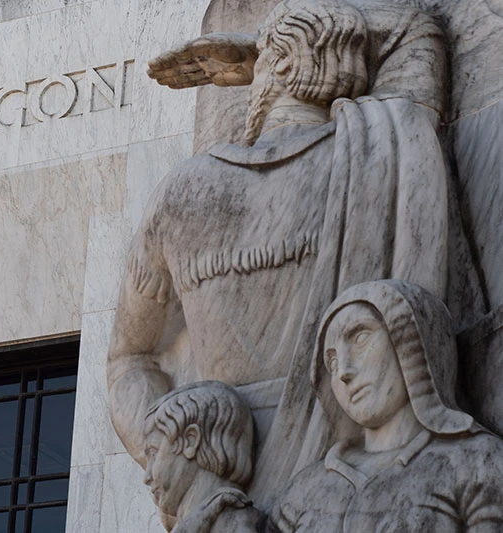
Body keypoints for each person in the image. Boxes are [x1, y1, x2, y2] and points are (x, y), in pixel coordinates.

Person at [108, 0, 449, 499]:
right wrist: (265, 49)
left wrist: (176, 460)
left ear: (280, 67)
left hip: (225, 477)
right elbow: (420, 30)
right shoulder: (386, 145)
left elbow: (128, 361)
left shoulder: (182, 193)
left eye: (264, 61)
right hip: (353, 477)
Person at [269, 280, 503, 531]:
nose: (344, 372)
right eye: (333, 362)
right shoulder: (301, 492)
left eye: (360, 338)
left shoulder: (477, 463)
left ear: (413, 340)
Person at [143, 381, 263, 533]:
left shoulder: (234, 524)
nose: (146, 476)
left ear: (191, 441)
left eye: (153, 453)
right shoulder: (203, 521)